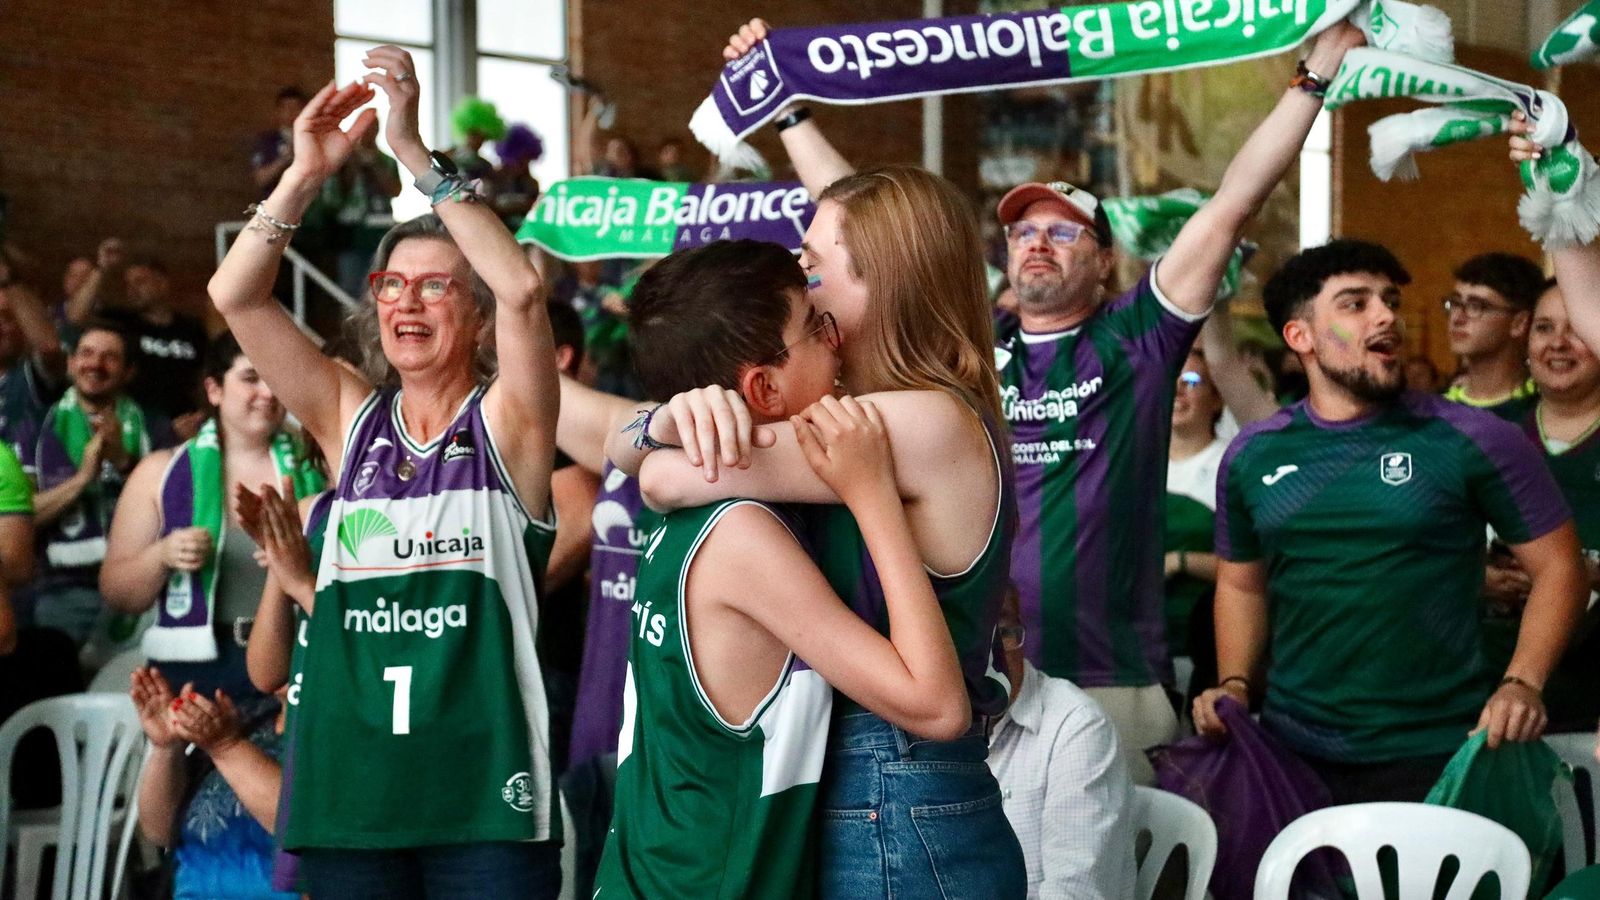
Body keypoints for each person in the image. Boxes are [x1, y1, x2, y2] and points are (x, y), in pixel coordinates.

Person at [207, 48, 563, 896]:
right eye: (393, 285)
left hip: (484, 803)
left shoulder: (509, 424)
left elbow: (522, 290)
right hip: (352, 801)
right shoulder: (348, 416)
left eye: (436, 287)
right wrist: (302, 178)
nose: (405, 301)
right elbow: (237, 296)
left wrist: (411, 155)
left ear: (473, 318)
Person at [611, 168, 1023, 892]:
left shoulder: (913, 424)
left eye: (813, 268)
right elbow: (636, 451)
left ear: (885, 286)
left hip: (900, 793)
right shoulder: (873, 414)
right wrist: (666, 419)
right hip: (874, 789)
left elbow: (663, 477)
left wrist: (667, 428)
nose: (803, 288)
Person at [1193, 240, 1586, 805]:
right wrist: (1234, 681)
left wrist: (1521, 683)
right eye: (1355, 304)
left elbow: (1559, 570)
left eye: (1390, 301)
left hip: (1440, 749)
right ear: (1300, 336)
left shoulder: (1472, 438)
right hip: (1291, 751)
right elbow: (1241, 582)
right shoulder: (1253, 453)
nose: (1386, 316)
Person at [100, 333, 324, 700]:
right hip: (193, 672)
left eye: (275, 378)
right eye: (251, 378)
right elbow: (117, 594)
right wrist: (162, 554)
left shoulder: (321, 469)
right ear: (214, 389)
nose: (268, 391)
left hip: (298, 657)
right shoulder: (159, 471)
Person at [1495, 281, 1600, 732]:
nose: (1557, 343)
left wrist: (1581, 571)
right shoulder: (1488, 434)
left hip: (1587, 689)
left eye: (1576, 328)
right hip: (1487, 683)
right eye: (1543, 328)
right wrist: (1475, 577)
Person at [28, 322, 169, 650]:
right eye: (86, 354)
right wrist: (81, 480)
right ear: (70, 363)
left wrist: (124, 462)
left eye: (110, 357)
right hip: (62, 591)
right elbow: (20, 519)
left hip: (140, 589)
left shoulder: (155, 426)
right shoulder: (36, 428)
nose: (95, 364)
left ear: (128, 371)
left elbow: (181, 507)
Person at [988, 587, 1134, 900]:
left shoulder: (1076, 727)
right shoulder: (911, 731)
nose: (991, 656)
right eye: (968, 636)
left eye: (1003, 632)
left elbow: (1076, 892)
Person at [129, 666, 294, 900]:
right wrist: (166, 747)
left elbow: (297, 823)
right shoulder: (243, 720)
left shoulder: (342, 740)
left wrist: (225, 747)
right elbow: (161, 831)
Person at [1164, 349, 1227, 700]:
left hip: (1206, 649)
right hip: (1142, 649)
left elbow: (1256, 566)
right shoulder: (1136, 464)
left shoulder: (1231, 463)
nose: (1177, 391)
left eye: (1191, 381)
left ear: (1217, 398)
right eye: (1171, 381)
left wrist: (1180, 561)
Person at [1442, 252, 1545, 421]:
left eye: (1476, 306)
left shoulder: (1547, 409)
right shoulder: (1437, 412)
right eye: (1454, 303)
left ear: (1519, 323)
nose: (1457, 318)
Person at [252, 87, 307, 197]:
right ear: (278, 111)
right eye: (286, 108)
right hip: (276, 204)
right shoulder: (267, 141)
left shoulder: (312, 140)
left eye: (296, 107)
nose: (291, 112)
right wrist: (283, 160)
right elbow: (260, 179)